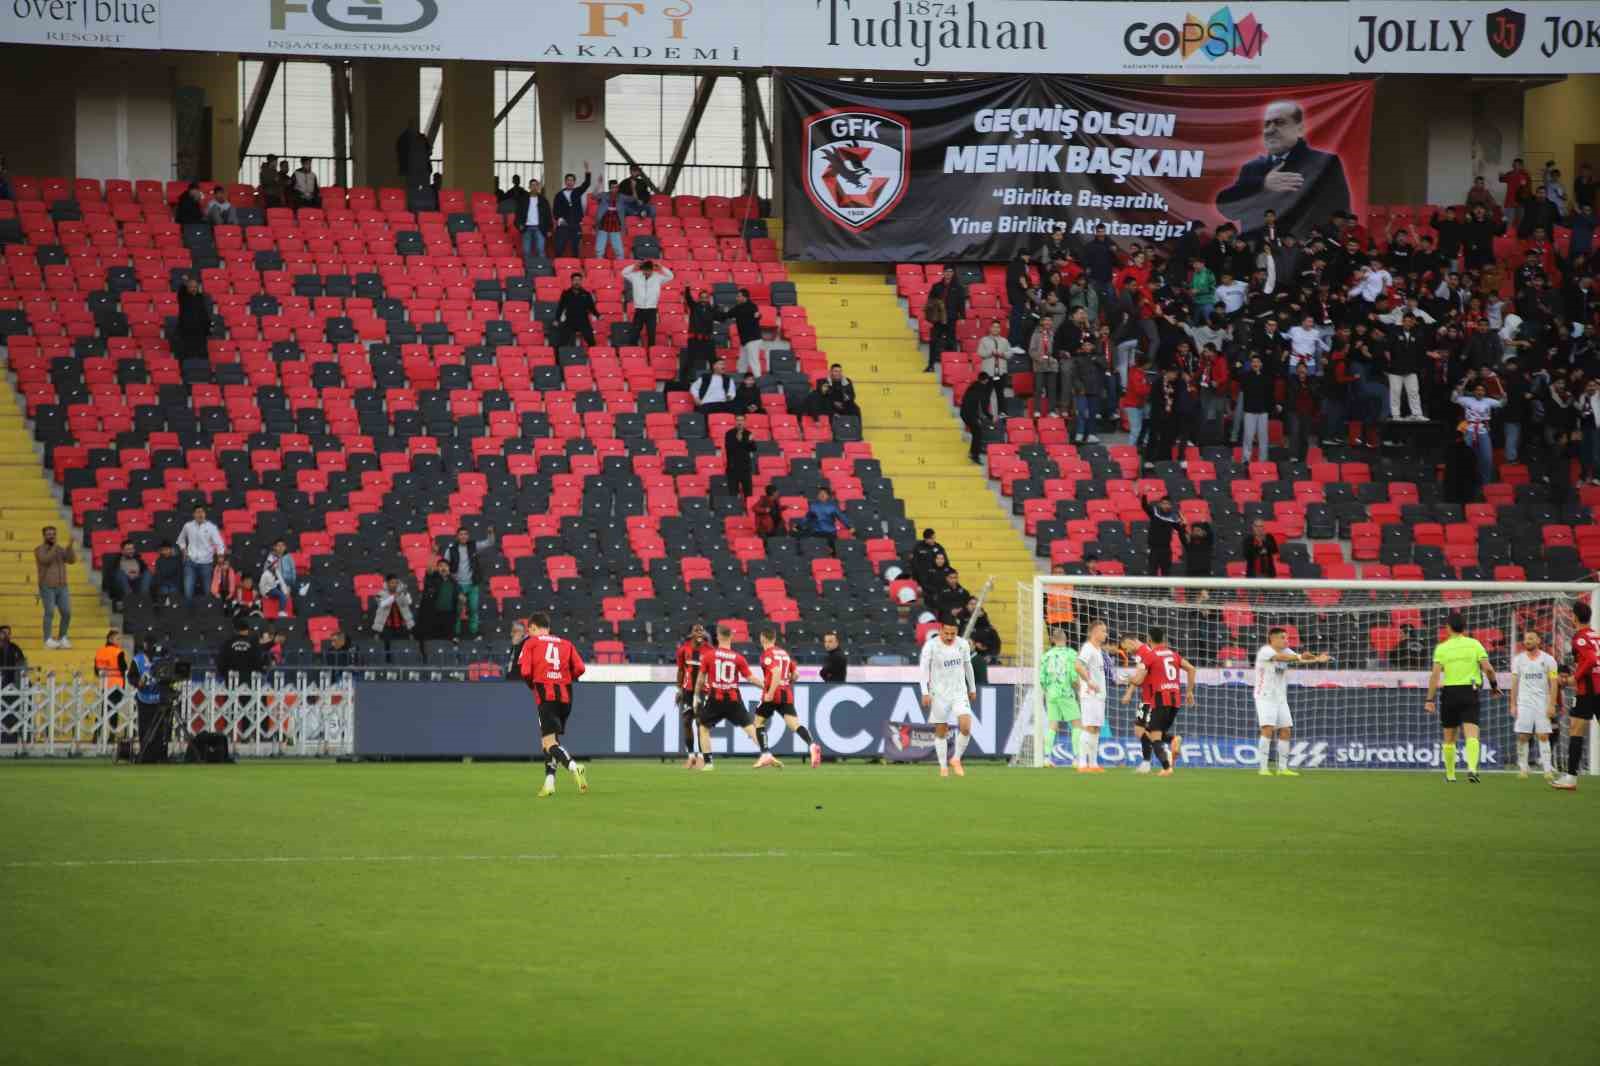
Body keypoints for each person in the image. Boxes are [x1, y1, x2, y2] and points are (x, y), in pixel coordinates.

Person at [1216, 100, 1351, 239]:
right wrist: (1262, 184)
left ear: (1300, 129)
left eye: (1279, 122)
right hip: (1259, 250)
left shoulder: (1324, 163)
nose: (1270, 129)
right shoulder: (1252, 168)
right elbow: (1228, 208)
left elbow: (1338, 213)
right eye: (1267, 124)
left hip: (1302, 251)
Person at [518, 612, 590, 797]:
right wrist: (564, 678)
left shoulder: (531, 643)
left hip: (546, 695)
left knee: (549, 743)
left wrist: (533, 686)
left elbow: (525, 671)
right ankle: (549, 783)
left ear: (533, 627)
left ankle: (575, 767)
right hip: (565, 696)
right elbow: (581, 668)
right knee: (550, 741)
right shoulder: (566, 643)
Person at [1425, 612, 1499, 784]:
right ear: (1464, 627)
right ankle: (1472, 769)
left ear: (1448, 628)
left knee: (1449, 736)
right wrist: (1494, 686)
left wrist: (1429, 700)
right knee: (1472, 734)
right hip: (1469, 691)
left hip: (1449, 692)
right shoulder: (1474, 644)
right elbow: (1488, 669)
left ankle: (1450, 775)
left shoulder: (1442, 648)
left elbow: (1435, 676)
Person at [695, 624, 778, 770]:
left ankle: (708, 763)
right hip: (733, 699)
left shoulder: (709, 655)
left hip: (715, 698)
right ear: (731, 637)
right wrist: (768, 687)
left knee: (703, 727)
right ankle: (766, 753)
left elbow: (701, 679)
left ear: (718, 636)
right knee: (750, 727)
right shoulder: (738, 658)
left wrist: (696, 696)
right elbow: (751, 678)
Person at [1253, 628, 1330, 777]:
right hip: (1265, 696)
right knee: (1267, 728)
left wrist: (1317, 659)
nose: (1286, 640)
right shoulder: (1266, 651)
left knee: (1286, 730)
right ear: (1272, 639)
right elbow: (1283, 658)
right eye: (1283, 638)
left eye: (1286, 638)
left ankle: (1283, 768)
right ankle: (1263, 768)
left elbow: (1300, 658)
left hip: (1280, 698)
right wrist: (1300, 656)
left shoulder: (1287, 650)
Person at [1124, 625, 1195, 776]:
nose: (1126, 650)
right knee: (1146, 731)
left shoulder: (1148, 654)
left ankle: (1161, 764)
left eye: (1126, 646)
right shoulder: (1172, 654)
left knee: (1150, 733)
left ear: (1148, 640)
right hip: (1173, 699)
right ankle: (1161, 753)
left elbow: (1138, 678)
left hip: (1155, 699)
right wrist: (1189, 692)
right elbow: (1191, 669)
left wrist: (1126, 681)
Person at [920, 618, 978, 779]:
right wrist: (924, 692)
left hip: (959, 692)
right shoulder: (931, 646)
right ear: (940, 631)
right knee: (941, 730)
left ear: (957, 632)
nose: (950, 636)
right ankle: (943, 766)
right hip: (939, 694)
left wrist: (972, 688)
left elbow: (968, 666)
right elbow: (923, 670)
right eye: (946, 633)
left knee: (965, 726)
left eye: (953, 633)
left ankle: (956, 759)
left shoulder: (962, 644)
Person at [756, 630, 822, 768]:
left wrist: (771, 692)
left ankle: (766, 754)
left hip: (773, 693)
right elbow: (796, 674)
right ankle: (812, 745)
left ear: (762, 638)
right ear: (774, 638)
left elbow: (776, 672)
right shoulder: (784, 654)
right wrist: (786, 684)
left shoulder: (766, 654)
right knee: (794, 724)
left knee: (758, 723)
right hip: (786, 693)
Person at [1553, 601, 1598, 790]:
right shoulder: (1596, 635)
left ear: (1575, 617)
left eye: (1571, 615)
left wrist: (1573, 678)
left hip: (1588, 691)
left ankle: (1571, 778)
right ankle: (1570, 777)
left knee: (1575, 730)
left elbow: (1591, 659)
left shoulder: (1579, 637)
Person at [1508, 629, 1558, 780]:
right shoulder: (1518, 660)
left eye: (1531, 638)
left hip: (1542, 702)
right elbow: (1515, 683)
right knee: (1523, 735)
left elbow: (1554, 683)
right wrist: (1513, 704)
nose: (1527, 641)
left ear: (1538, 641)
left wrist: (1552, 705)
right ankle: (1523, 768)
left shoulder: (1549, 660)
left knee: (1543, 735)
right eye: (1525, 639)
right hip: (1524, 703)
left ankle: (1548, 770)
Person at [1040, 626, 1082, 767]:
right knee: (1076, 724)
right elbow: (1073, 675)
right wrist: (1079, 689)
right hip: (1065, 692)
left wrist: (1047, 690)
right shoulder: (1071, 654)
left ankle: (1046, 757)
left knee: (1052, 725)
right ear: (1066, 639)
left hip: (1050, 693)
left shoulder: (1046, 656)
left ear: (1052, 640)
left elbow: (1042, 678)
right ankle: (1076, 758)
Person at [443, 527, 494, 642]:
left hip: (472, 584)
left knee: (473, 609)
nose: (463, 536)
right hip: (457, 586)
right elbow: (445, 566)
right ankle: (455, 634)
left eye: (466, 534)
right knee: (456, 611)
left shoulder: (473, 546)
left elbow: (489, 543)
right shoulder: (450, 550)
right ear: (457, 536)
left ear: (468, 536)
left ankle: (474, 633)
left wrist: (490, 533)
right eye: (461, 534)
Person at [1073, 620, 1109, 772]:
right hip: (1090, 694)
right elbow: (1078, 665)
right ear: (1094, 632)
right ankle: (1082, 764)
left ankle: (1093, 764)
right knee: (1088, 727)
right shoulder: (1088, 648)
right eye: (1103, 631)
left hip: (1099, 695)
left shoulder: (1098, 649)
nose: (1105, 634)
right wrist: (1089, 681)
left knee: (1096, 728)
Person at [176, 504, 225, 607]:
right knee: (188, 591)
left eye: (202, 512)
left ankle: (207, 613)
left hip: (206, 563)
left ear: (205, 514)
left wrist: (220, 556)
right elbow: (180, 540)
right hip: (190, 562)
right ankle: (188, 615)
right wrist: (184, 551)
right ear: (193, 514)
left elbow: (220, 544)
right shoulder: (187, 526)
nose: (200, 514)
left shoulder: (211, 527)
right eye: (198, 512)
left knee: (208, 591)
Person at [675, 624, 709, 769]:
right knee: (686, 721)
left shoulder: (709, 650)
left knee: (701, 723)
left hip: (702, 691)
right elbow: (681, 670)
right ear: (692, 634)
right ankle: (691, 756)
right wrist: (678, 689)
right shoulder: (683, 649)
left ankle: (702, 757)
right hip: (688, 691)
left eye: (701, 631)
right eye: (697, 631)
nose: (700, 633)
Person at [34, 526, 73, 649]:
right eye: (49, 534)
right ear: (44, 536)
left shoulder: (59, 549)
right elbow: (45, 560)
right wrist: (55, 547)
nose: (51, 536)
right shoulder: (39, 549)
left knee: (66, 612)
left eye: (53, 534)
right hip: (47, 586)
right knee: (49, 612)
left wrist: (70, 547)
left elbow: (71, 560)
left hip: (62, 586)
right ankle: (47, 639)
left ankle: (62, 637)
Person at [1386, 313, 1428, 421]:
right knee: (1395, 392)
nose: (1408, 323)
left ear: (1413, 322)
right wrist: (1389, 363)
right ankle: (1395, 415)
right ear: (1402, 321)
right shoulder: (1394, 332)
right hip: (1395, 369)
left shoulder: (1417, 334)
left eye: (1411, 321)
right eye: (1406, 321)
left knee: (1414, 391)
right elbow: (1387, 349)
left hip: (1411, 368)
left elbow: (1420, 351)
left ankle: (1416, 414)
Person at [620, 260, 672, 348]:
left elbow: (671, 276)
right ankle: (633, 350)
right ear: (642, 269)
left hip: (651, 309)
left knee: (651, 332)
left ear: (652, 269)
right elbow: (623, 273)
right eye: (645, 270)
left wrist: (661, 268)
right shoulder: (635, 276)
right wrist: (633, 266)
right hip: (639, 309)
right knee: (635, 331)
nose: (647, 272)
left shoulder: (658, 277)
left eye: (649, 270)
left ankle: (651, 351)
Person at [371, 572, 418, 661]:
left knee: (406, 644)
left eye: (396, 583)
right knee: (387, 644)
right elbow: (383, 604)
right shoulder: (380, 593)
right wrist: (395, 596)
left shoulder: (401, 592)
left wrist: (405, 593)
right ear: (387, 583)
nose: (395, 585)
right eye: (392, 583)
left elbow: (409, 602)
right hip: (386, 625)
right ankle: (388, 663)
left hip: (402, 624)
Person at [719, 289, 765, 377]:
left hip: (753, 339)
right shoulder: (738, 307)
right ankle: (740, 380)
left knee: (753, 361)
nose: (737, 298)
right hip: (744, 340)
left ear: (744, 297)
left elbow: (757, 316)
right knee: (742, 362)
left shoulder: (752, 306)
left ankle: (759, 381)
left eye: (739, 296)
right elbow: (726, 315)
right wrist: (715, 313)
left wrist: (759, 316)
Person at [791, 487, 850, 555]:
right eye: (820, 494)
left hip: (830, 533)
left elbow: (841, 517)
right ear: (818, 495)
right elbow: (807, 518)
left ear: (828, 496)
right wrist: (798, 526)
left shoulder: (833, 506)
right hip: (817, 533)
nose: (822, 495)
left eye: (824, 494)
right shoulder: (813, 506)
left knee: (834, 550)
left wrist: (850, 527)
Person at [550, 164, 591, 258]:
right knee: (559, 247)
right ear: (565, 181)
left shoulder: (577, 191)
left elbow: (586, 184)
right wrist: (559, 219)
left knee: (575, 248)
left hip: (575, 225)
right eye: (568, 180)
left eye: (571, 180)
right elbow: (555, 210)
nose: (569, 182)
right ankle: (558, 266)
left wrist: (587, 170)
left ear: (574, 182)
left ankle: (576, 268)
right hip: (563, 225)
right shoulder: (559, 195)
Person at [1141, 491, 1185, 578]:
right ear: (1160, 504)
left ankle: (1164, 592)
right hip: (1153, 549)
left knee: (1166, 574)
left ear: (1171, 505)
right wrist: (1144, 495)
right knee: (1152, 573)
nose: (1165, 505)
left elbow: (1180, 529)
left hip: (1166, 549)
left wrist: (1183, 524)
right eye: (1163, 503)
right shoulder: (1155, 513)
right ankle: (1152, 591)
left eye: (1167, 504)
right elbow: (1145, 506)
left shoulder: (1173, 517)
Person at [102, 539, 152, 612]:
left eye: (132, 549)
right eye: (128, 549)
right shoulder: (116, 561)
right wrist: (127, 575)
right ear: (122, 551)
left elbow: (144, 571)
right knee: (120, 573)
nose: (131, 551)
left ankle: (142, 598)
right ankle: (130, 599)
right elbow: (110, 576)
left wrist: (137, 575)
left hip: (137, 582)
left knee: (148, 573)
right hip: (124, 583)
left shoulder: (138, 559)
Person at [216, 619, 271, 683]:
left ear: (235, 630)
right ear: (247, 630)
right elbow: (258, 662)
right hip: (249, 680)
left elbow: (221, 661)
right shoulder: (253, 643)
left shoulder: (228, 643)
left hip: (231, 679)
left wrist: (223, 673)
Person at [555, 273, 597, 349]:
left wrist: (598, 315)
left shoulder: (586, 294)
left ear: (581, 281)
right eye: (575, 280)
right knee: (562, 343)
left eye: (578, 280)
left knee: (592, 342)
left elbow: (591, 307)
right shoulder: (566, 293)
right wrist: (556, 319)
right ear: (571, 281)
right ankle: (559, 359)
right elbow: (560, 307)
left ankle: (594, 358)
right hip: (570, 321)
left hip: (583, 321)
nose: (576, 282)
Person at [176, 275, 211, 361]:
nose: (193, 288)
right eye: (191, 287)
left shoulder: (200, 297)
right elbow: (181, 293)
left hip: (200, 330)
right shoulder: (184, 298)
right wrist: (184, 283)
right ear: (187, 288)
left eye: (195, 287)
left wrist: (208, 327)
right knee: (186, 353)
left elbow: (204, 313)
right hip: (186, 330)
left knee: (202, 353)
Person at [260, 537, 298, 616]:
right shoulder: (270, 558)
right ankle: (280, 611)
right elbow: (266, 574)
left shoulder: (289, 558)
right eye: (278, 545)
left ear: (285, 547)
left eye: (282, 545)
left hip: (287, 585)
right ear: (274, 547)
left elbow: (293, 573)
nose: (280, 548)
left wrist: (289, 586)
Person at [961, 371, 993, 463]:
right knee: (978, 433)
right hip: (970, 414)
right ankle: (975, 455)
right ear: (985, 380)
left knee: (976, 433)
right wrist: (989, 416)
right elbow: (983, 406)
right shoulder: (981, 389)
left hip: (964, 413)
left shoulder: (972, 386)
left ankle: (974, 452)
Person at [723, 413, 756, 498]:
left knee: (748, 492)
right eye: (738, 420)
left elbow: (753, 449)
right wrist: (742, 441)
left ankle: (748, 509)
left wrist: (751, 441)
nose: (739, 422)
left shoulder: (748, 433)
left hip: (745, 467)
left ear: (745, 422)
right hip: (733, 467)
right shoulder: (729, 434)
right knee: (732, 493)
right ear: (735, 421)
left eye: (741, 420)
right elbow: (730, 448)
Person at [592, 179, 625, 258]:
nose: (615, 189)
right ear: (609, 188)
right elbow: (593, 196)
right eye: (613, 187)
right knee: (599, 250)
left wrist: (633, 188)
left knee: (619, 251)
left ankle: (620, 266)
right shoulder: (604, 195)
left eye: (616, 187)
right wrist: (598, 185)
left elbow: (633, 199)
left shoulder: (621, 196)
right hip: (603, 224)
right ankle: (599, 267)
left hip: (616, 225)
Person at [521, 178, 552, 260]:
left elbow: (548, 215)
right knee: (526, 251)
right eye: (532, 185)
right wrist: (519, 225)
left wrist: (549, 229)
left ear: (538, 187)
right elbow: (518, 215)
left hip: (540, 228)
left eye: (536, 185)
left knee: (541, 251)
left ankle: (541, 270)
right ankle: (527, 271)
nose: (534, 187)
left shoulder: (543, 200)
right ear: (529, 187)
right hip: (526, 228)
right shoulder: (523, 199)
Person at [151, 541, 181, 608]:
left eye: (167, 549)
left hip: (173, 582)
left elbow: (178, 574)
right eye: (163, 550)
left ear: (171, 550)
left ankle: (174, 606)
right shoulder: (159, 560)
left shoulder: (176, 560)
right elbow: (158, 574)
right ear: (161, 551)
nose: (165, 552)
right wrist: (160, 584)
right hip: (163, 582)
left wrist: (176, 584)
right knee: (164, 591)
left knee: (173, 591)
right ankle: (162, 607)